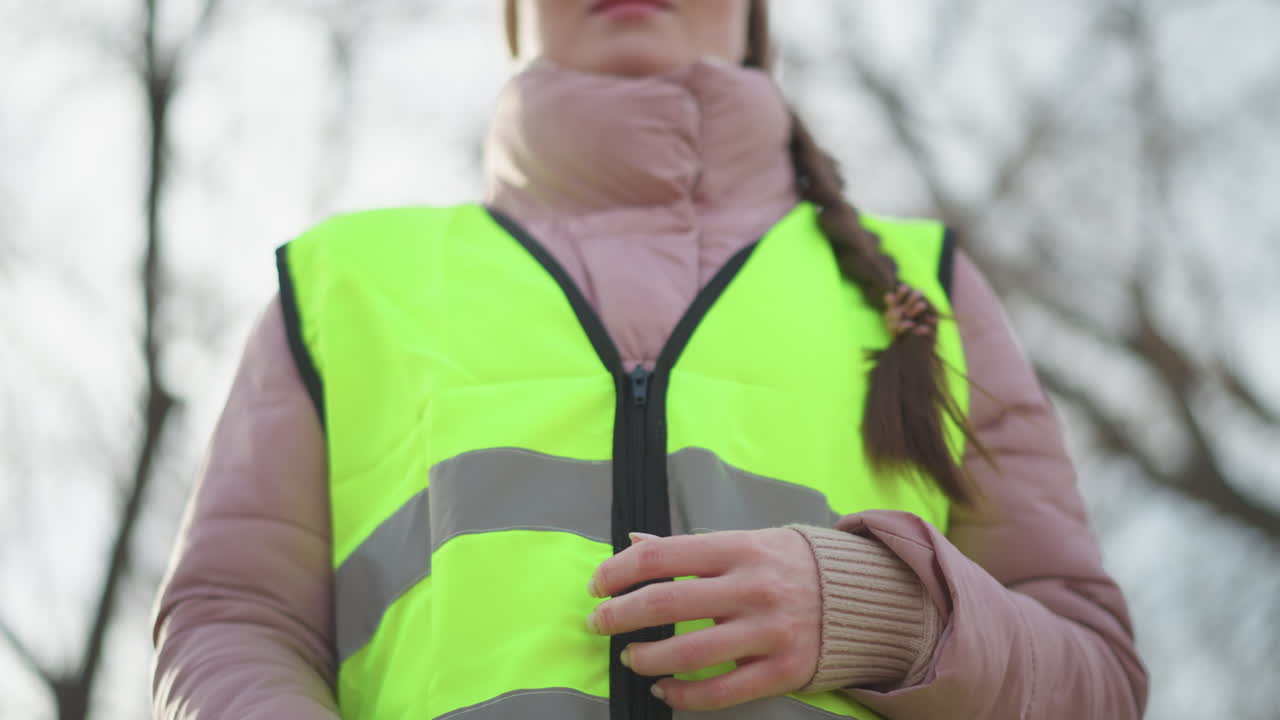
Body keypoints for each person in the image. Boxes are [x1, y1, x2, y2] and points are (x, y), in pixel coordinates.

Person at [150, 1, 1149, 718]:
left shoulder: (926, 292)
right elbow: (230, 621)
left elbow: (1094, 678)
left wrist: (876, 613)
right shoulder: (340, 287)